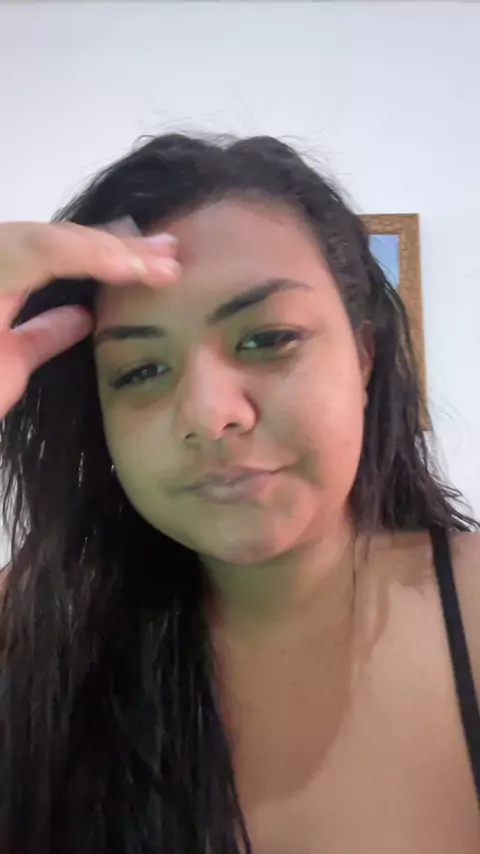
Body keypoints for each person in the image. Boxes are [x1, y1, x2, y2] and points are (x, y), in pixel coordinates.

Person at [0, 133, 479, 854]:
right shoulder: (26, 633)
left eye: (268, 338)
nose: (208, 413)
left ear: (363, 356)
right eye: (140, 371)